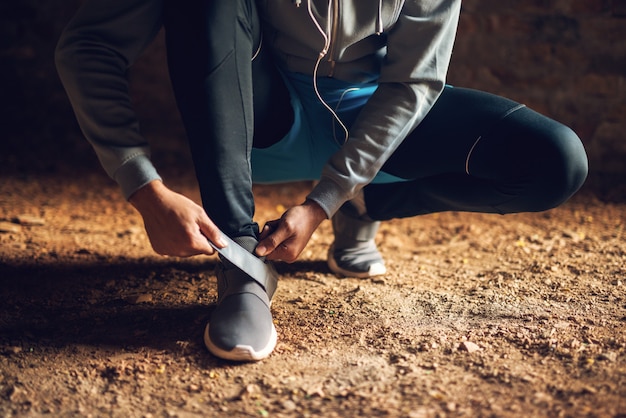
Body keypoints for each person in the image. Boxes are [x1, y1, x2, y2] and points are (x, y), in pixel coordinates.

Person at [56, 0, 588, 362]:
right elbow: (89, 46)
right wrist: (144, 190)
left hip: (372, 119)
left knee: (553, 161)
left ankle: (369, 201)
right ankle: (243, 264)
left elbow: (413, 84)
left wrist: (327, 198)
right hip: (257, 123)